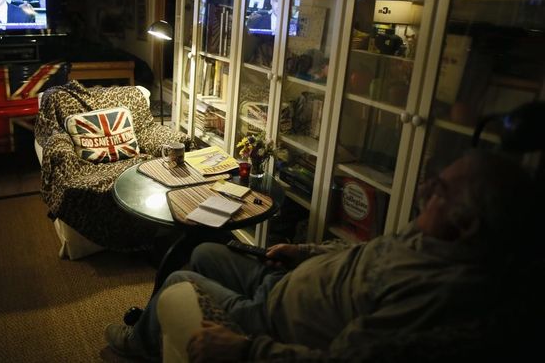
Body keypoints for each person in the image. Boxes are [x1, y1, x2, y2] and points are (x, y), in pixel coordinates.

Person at [104, 149, 540, 361]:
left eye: (440, 190)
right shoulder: (429, 239)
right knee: (202, 248)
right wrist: (302, 251)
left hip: (273, 322)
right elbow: (362, 253)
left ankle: (138, 343)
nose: (425, 191)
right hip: (283, 280)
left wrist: (247, 350)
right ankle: (150, 328)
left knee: (181, 282)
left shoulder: (439, 289)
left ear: (469, 225)